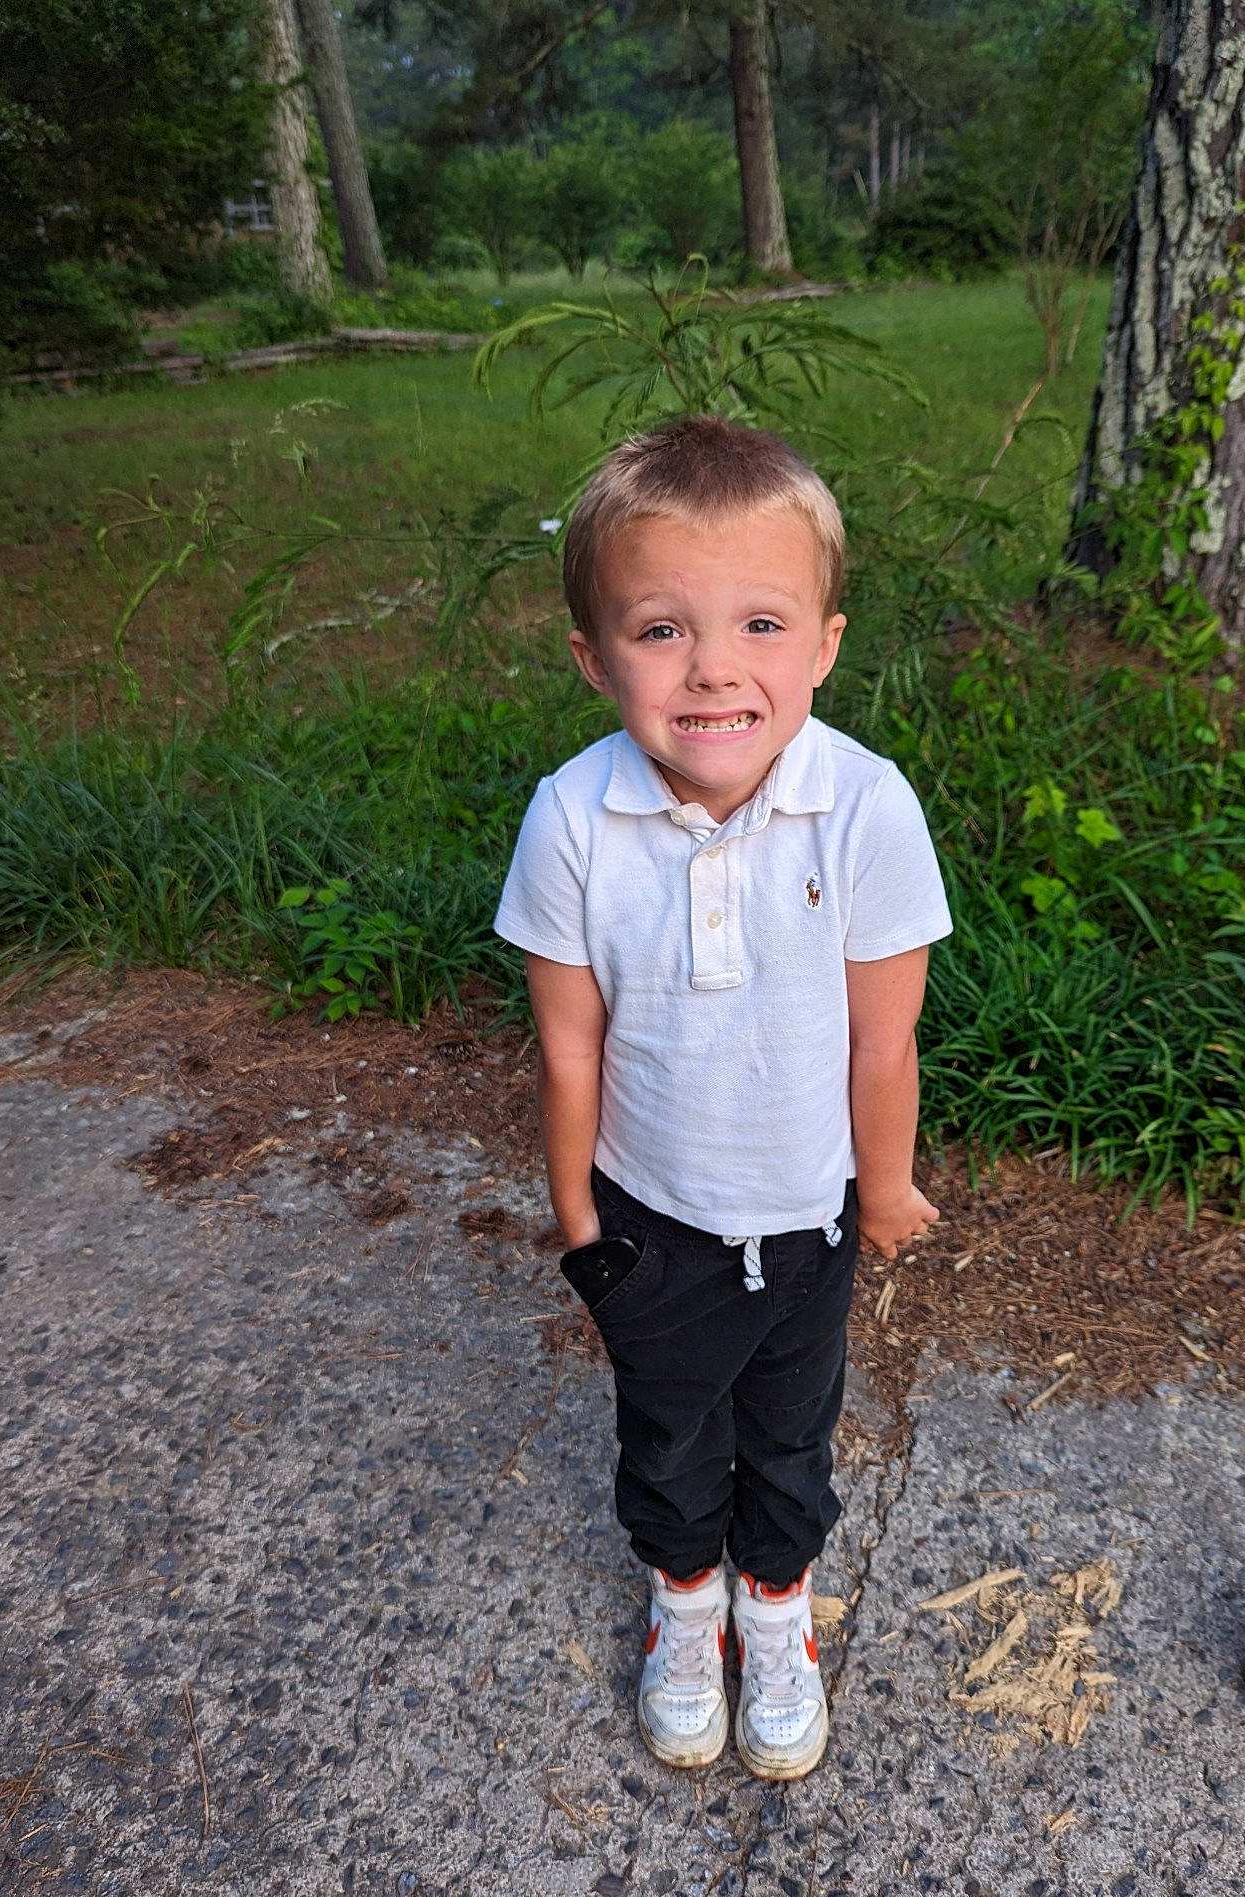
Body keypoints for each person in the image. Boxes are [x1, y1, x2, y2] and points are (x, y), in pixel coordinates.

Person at [493, 414, 951, 1780]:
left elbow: (885, 1040)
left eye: (760, 623)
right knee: (669, 1438)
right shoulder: (572, 819)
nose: (711, 670)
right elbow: (568, 1049)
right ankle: (683, 1608)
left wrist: (883, 1185)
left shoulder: (862, 807)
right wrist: (579, 1217)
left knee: (791, 1441)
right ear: (591, 656)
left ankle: (775, 1610)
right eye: (658, 630)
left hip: (806, 1220)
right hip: (654, 1218)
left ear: (822, 641)